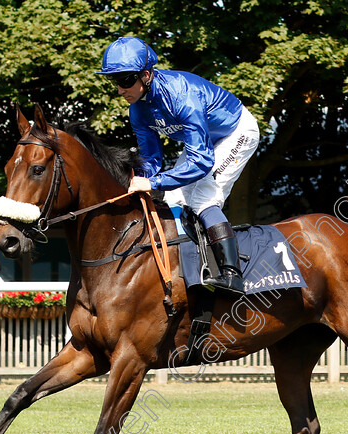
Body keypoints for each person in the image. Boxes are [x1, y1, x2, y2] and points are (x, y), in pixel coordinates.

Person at [97, 36, 260, 295]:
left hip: (235, 133)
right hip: (203, 143)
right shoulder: (138, 110)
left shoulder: (182, 95)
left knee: (203, 198)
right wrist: (138, 181)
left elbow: (202, 161)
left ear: (146, 75)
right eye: (114, 81)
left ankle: (232, 275)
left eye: (125, 80)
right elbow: (151, 159)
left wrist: (154, 182)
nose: (119, 89)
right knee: (172, 198)